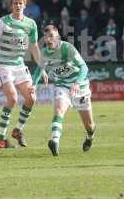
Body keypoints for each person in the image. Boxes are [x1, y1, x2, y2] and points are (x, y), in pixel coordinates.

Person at [0, 0, 41, 148]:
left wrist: (41, 68)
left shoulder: (30, 24)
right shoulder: (2, 22)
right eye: (15, 3)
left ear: (25, 5)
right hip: (3, 64)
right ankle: (0, 138)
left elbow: (34, 47)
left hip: (19, 65)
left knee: (31, 98)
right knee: (12, 98)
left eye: (20, 3)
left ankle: (17, 130)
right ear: (11, 5)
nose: (18, 6)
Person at [32, 25, 96, 156]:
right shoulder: (44, 53)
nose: (49, 39)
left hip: (80, 87)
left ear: (57, 37)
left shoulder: (67, 48)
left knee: (89, 125)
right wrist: (33, 84)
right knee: (59, 110)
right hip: (62, 85)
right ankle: (55, 141)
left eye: (52, 36)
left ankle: (90, 137)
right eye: (46, 37)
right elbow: (40, 69)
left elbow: (84, 67)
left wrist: (77, 83)